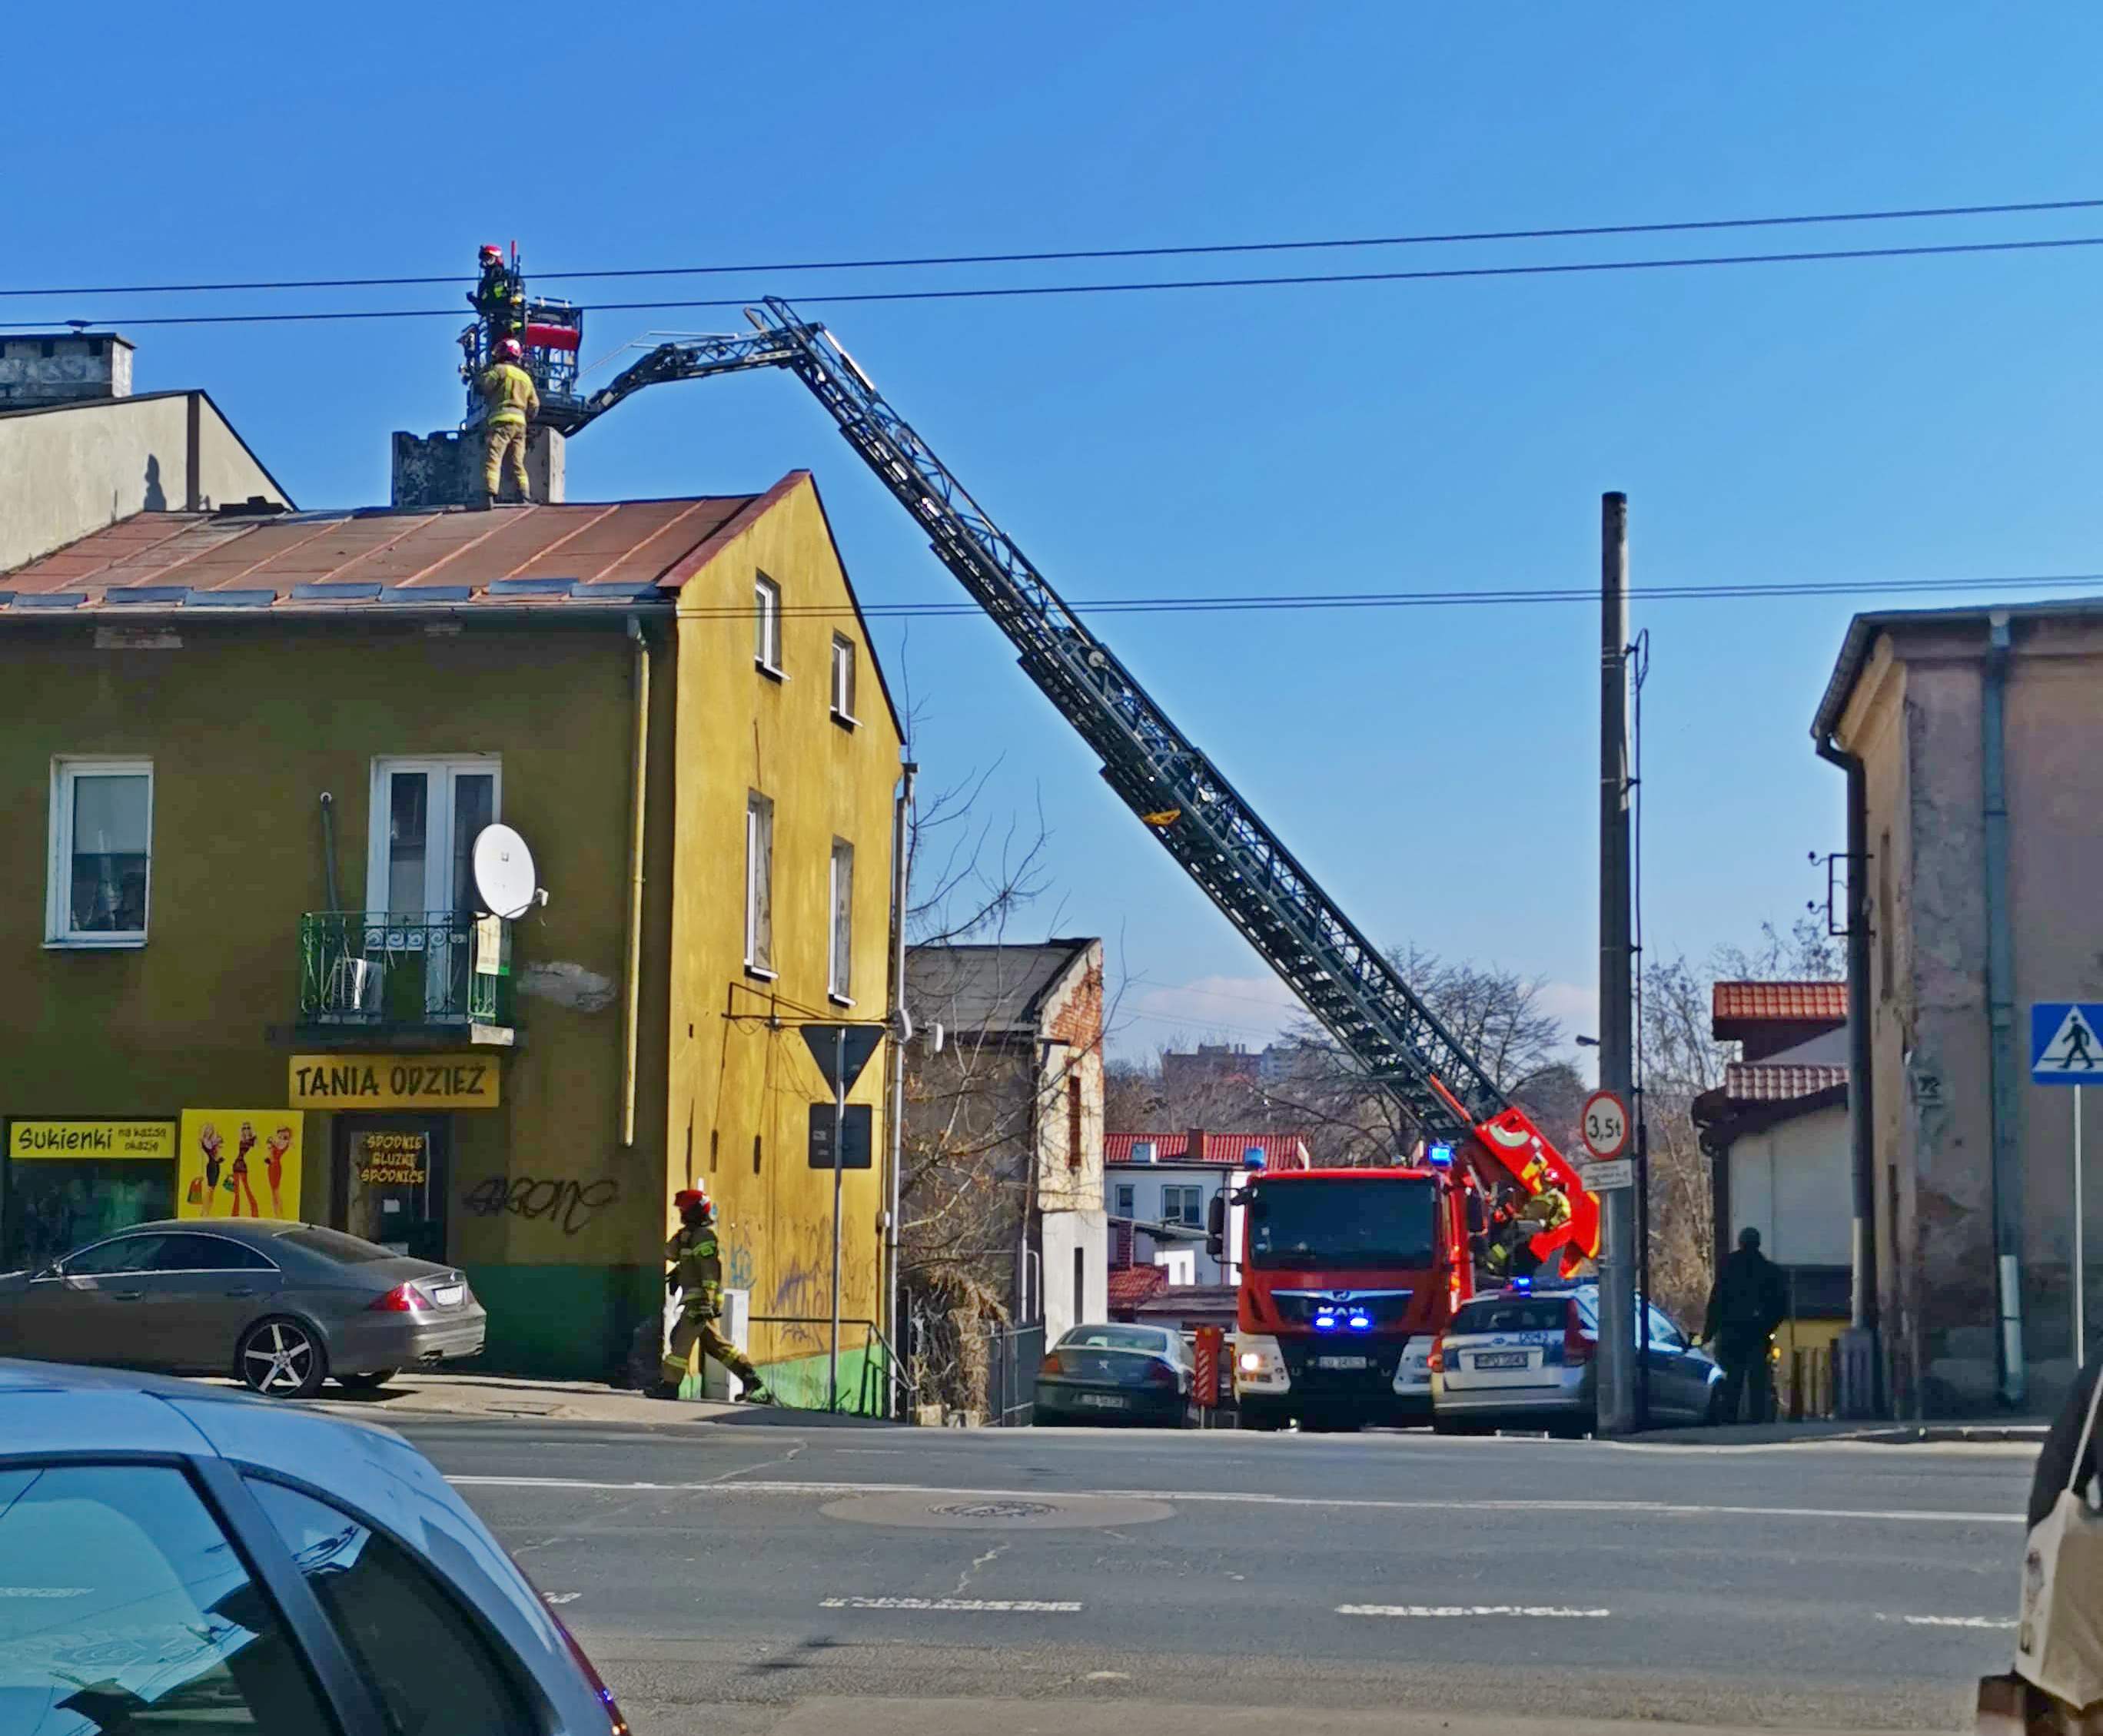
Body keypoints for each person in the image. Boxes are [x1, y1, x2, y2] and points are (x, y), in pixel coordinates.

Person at [656, 1189, 773, 1404]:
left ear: (695, 1211)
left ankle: (670, 1385)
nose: (681, 1213)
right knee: (715, 1345)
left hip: (699, 1301)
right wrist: (681, 1239)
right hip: (695, 1299)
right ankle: (749, 1378)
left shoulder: (704, 1237)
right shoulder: (689, 1236)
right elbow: (669, 1253)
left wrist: (708, 1302)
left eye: (684, 1209)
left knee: (681, 1341)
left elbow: (710, 1272)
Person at [1703, 1226, 1788, 1422]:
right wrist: (1768, 1328)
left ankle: (1730, 1415)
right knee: (1758, 1376)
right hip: (1757, 1333)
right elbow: (1780, 1306)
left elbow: (1717, 1301)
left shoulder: (1728, 1267)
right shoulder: (1769, 1270)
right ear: (1758, 1244)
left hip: (1731, 1331)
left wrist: (1709, 1332)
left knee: (1733, 1376)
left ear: (1740, 1242)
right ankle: (1757, 1416)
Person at [477, 337, 539, 507]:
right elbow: (535, 406)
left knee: (493, 457)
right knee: (517, 462)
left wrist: (482, 373)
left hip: (501, 422)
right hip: (520, 426)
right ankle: (524, 495)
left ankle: (488, 495)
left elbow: (483, 385)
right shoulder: (526, 378)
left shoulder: (499, 370)